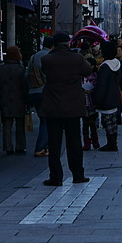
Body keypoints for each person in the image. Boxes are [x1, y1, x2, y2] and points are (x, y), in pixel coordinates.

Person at [40, 32, 93, 186]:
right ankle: (78, 174)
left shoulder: (47, 59)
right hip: (73, 107)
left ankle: (55, 177)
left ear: (54, 44)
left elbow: (45, 72)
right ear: (69, 43)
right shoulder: (77, 59)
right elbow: (88, 71)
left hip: (53, 106)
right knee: (74, 142)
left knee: (54, 143)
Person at [0, 46, 28, 155]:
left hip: (5, 100)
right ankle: (20, 146)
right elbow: (24, 86)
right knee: (20, 125)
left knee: (7, 126)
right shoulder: (20, 69)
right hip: (19, 99)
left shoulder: (1, 68)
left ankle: (8, 147)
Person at [26, 36, 53, 157]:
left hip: (33, 92)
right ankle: (40, 147)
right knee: (46, 120)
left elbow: (27, 75)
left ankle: (46, 147)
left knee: (44, 119)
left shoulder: (34, 56)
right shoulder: (49, 57)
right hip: (45, 91)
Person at [93, 41, 121, 151]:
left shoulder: (105, 67)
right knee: (113, 121)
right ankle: (113, 143)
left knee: (107, 121)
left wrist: (96, 99)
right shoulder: (117, 64)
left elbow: (101, 85)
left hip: (105, 97)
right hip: (114, 95)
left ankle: (111, 144)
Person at [81, 57, 100, 150]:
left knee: (92, 124)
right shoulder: (80, 77)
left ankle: (95, 141)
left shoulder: (96, 76)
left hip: (92, 103)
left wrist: (92, 91)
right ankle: (86, 142)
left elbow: (98, 88)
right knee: (85, 124)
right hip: (83, 103)